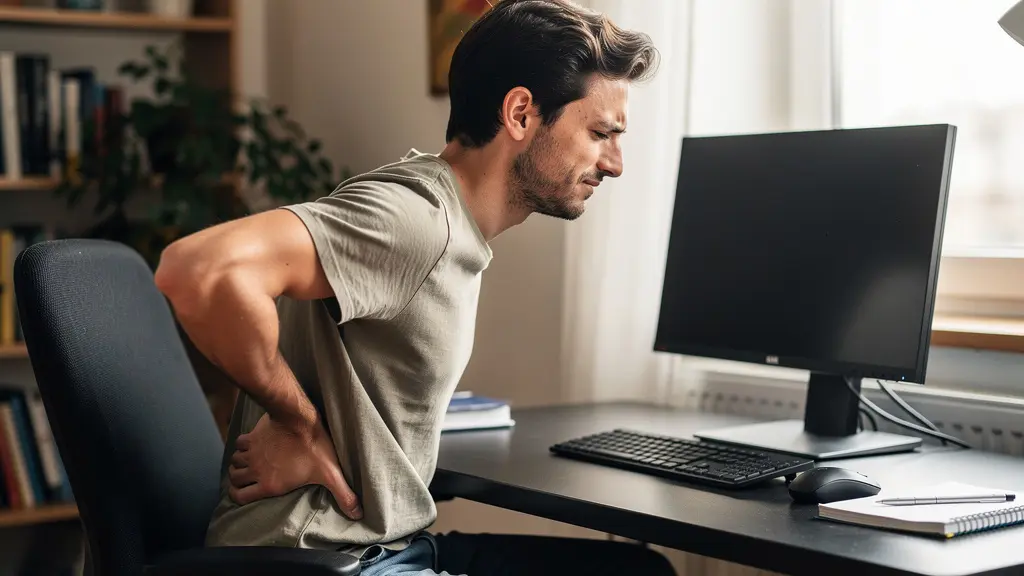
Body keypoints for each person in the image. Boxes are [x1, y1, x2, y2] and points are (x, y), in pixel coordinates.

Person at [154, 0, 676, 574]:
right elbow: (197, 270)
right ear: (521, 113)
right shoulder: (417, 219)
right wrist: (297, 424)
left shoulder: (442, 214)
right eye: (601, 132)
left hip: (382, 546)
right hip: (324, 556)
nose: (616, 163)